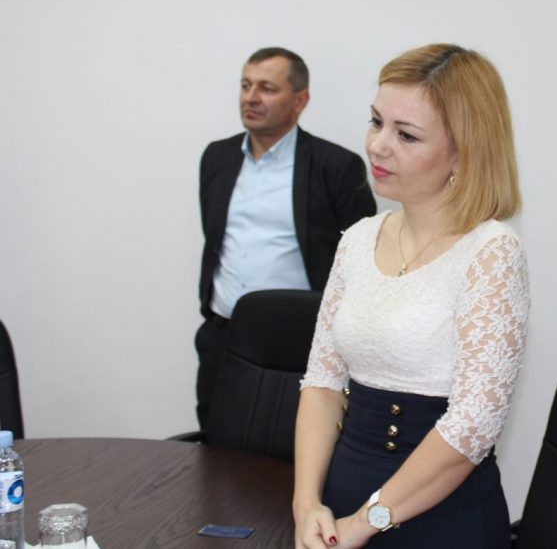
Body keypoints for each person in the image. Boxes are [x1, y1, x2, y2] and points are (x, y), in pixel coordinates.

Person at [293, 44, 529, 548]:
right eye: (376, 122)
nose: (378, 146)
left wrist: (365, 523)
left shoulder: (491, 251)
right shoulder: (358, 239)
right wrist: (306, 503)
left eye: (406, 135)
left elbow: (472, 425)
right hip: (340, 503)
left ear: (464, 151)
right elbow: (323, 382)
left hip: (439, 519)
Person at [197, 47, 376, 428]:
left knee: (292, 450)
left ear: (300, 100)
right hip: (222, 337)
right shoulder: (217, 157)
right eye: (245, 85)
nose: (251, 97)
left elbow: (363, 263)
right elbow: (215, 241)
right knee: (215, 444)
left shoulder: (336, 167)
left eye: (267, 88)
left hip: (299, 344)